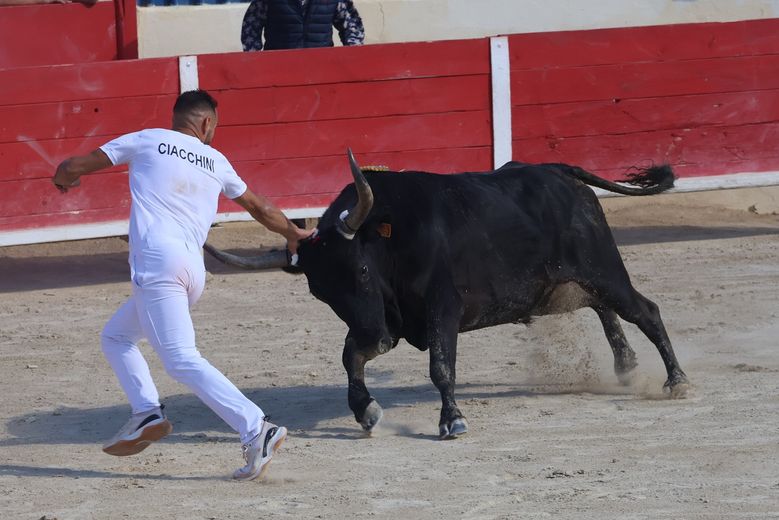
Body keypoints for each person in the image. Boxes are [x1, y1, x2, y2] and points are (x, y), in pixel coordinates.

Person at [52, 89, 312, 481]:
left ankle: (256, 427)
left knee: (180, 359)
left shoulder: (147, 138)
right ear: (206, 124)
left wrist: (63, 175)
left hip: (157, 265)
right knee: (117, 337)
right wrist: (294, 233)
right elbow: (261, 208)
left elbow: (78, 165)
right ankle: (146, 412)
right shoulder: (217, 160)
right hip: (192, 270)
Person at [241, 0, 365, 52]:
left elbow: (352, 25)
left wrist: (351, 58)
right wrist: (256, 63)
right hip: (279, 71)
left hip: (322, 70)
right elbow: (251, 26)